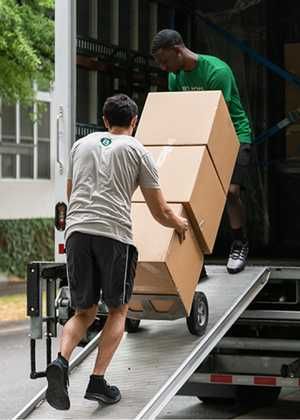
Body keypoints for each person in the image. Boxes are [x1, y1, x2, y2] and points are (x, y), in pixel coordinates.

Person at [45, 94, 188, 411]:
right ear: (134, 122)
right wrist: (180, 224)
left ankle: (60, 362)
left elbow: (72, 192)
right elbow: (160, 209)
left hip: (78, 231)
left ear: (104, 120)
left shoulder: (81, 145)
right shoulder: (137, 150)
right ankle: (98, 381)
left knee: (83, 311)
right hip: (113, 235)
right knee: (118, 310)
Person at [151, 29, 252, 274]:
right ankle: (193, 259)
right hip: (197, 136)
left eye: (165, 61)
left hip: (232, 134)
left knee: (230, 192)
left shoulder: (217, 72)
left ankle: (240, 243)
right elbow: (180, 112)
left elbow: (219, 120)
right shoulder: (175, 77)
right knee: (189, 193)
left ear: (178, 50)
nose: (164, 68)